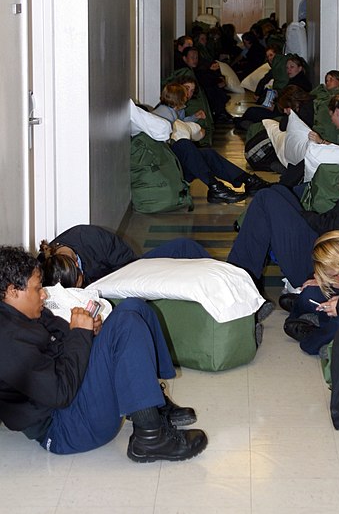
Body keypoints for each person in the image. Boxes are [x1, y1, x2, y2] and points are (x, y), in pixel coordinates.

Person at [0, 246, 207, 462]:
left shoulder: (26, 314)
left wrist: (90, 330)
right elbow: (60, 394)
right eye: (37, 288)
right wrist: (81, 333)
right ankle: (150, 437)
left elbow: (66, 337)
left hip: (75, 400)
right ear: (12, 291)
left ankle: (155, 404)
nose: (44, 294)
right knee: (125, 324)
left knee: (134, 307)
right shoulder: (7, 341)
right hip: (65, 428)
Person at [227, 162, 339, 293]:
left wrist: (331, 282)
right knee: (279, 192)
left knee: (266, 198)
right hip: (325, 253)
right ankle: (241, 277)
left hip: (321, 265)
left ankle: (237, 283)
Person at [131, 82, 271, 204]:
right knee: (184, 145)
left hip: (168, 164)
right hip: (164, 172)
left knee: (207, 153)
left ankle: (245, 181)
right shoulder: (159, 119)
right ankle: (215, 186)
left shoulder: (163, 115)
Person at [38, 225, 211, 288]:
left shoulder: (92, 238)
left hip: (122, 276)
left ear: (77, 263)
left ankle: (226, 280)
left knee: (184, 247)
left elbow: (131, 267)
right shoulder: (45, 270)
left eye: (80, 282)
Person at [283, 230, 339, 355]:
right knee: (309, 293)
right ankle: (304, 315)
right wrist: (327, 281)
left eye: (338, 274)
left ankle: (314, 334)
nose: (338, 277)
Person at [310, 70, 339, 144]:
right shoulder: (320, 93)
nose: (328, 82)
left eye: (331, 79)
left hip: (331, 130)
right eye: (326, 80)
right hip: (318, 128)